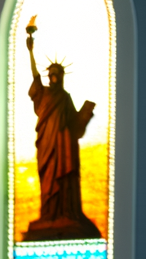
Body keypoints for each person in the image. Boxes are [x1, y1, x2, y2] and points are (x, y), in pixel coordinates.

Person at [23, 24, 101, 241]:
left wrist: (86, 113)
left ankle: (66, 214)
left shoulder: (65, 97)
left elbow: (75, 125)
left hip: (63, 146)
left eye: (57, 75)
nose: (53, 78)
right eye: (51, 75)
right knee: (48, 179)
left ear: (61, 76)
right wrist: (30, 52)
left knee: (64, 178)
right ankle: (49, 215)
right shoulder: (44, 94)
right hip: (46, 144)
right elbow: (35, 77)